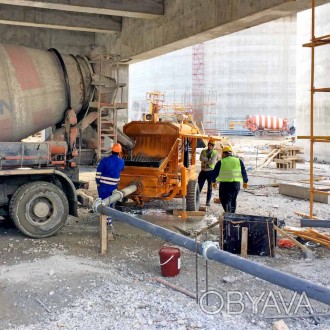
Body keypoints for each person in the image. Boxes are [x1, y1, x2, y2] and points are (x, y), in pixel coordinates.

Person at [95, 143, 125, 230]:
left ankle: (103, 222)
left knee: (102, 203)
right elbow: (122, 169)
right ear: (119, 153)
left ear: (112, 151)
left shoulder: (105, 160)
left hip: (103, 186)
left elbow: (98, 173)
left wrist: (98, 183)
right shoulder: (121, 162)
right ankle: (109, 223)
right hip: (113, 187)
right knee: (110, 204)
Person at [212, 146, 248, 213]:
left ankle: (228, 215)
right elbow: (243, 171)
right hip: (236, 185)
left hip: (225, 185)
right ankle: (232, 214)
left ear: (224, 153)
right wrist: (245, 181)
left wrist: (213, 182)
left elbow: (215, 173)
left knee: (225, 200)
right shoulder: (238, 160)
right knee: (233, 199)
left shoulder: (221, 162)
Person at [198, 138, 218, 206]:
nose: (209, 146)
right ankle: (196, 199)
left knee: (209, 187)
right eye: (209, 145)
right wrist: (208, 159)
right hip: (203, 171)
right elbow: (201, 158)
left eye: (211, 145)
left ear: (213, 146)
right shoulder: (203, 151)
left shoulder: (215, 153)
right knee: (199, 186)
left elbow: (212, 162)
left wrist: (205, 160)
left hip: (210, 171)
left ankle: (208, 201)